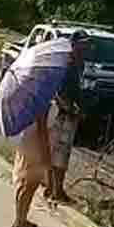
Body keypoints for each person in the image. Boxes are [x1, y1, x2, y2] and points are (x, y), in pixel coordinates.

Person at [47, 30, 88, 203]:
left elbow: (77, 91)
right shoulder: (67, 63)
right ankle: (57, 191)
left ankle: (53, 188)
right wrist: (68, 108)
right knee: (59, 155)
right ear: (74, 44)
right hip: (62, 114)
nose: (85, 47)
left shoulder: (80, 64)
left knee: (60, 153)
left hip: (71, 112)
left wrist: (80, 108)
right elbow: (57, 90)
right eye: (82, 43)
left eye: (87, 43)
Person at [13, 113, 51, 227]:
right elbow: (42, 130)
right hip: (35, 144)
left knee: (24, 182)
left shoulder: (34, 101)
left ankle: (20, 218)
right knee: (29, 185)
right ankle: (20, 223)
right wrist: (46, 153)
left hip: (27, 140)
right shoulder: (43, 104)